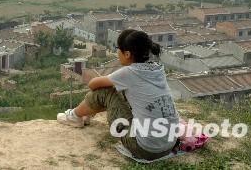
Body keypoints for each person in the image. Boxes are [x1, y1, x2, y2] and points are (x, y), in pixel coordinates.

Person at [57, 29, 179, 161]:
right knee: (120, 91)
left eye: (118, 49)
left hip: (145, 149)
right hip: (169, 144)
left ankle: (74, 116)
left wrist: (110, 81)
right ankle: (84, 114)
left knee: (106, 91)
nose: (117, 52)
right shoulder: (157, 69)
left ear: (127, 54)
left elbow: (93, 84)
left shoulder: (129, 73)